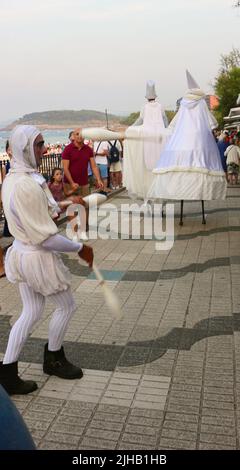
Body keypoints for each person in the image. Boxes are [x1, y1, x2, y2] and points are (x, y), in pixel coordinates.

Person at [0, 125, 94, 396]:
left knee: (31, 311)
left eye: (41, 144)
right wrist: (79, 248)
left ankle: (7, 371)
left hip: (19, 253)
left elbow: (40, 213)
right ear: (24, 148)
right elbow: (46, 237)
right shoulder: (27, 185)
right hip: (36, 257)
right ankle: (53, 359)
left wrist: (68, 202)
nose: (41, 149)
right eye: (38, 144)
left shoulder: (13, 179)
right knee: (66, 306)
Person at [148, 70, 227, 201]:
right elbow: (212, 123)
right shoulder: (201, 102)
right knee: (201, 164)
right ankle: (200, 191)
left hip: (182, 139)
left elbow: (176, 121)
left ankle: (180, 191)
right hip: (199, 140)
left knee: (179, 165)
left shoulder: (184, 103)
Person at [62, 128, 103, 197]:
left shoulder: (88, 149)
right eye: (77, 134)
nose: (79, 136)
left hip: (84, 183)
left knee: (85, 205)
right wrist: (72, 183)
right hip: (69, 184)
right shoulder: (67, 149)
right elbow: (65, 169)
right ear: (73, 136)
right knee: (72, 206)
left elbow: (94, 166)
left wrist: (98, 179)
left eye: (81, 134)